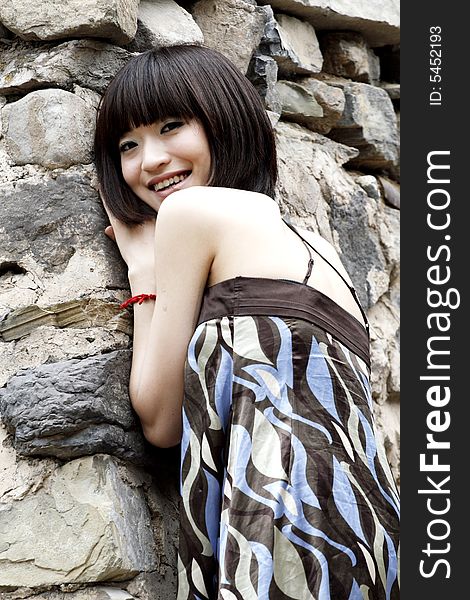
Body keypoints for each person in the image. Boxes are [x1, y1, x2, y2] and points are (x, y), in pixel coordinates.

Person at [94, 45, 399, 600]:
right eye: (128, 145)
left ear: (223, 118)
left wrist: (143, 267)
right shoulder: (319, 250)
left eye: (171, 126)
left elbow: (160, 417)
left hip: (286, 527)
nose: (151, 160)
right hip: (367, 535)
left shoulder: (193, 215)